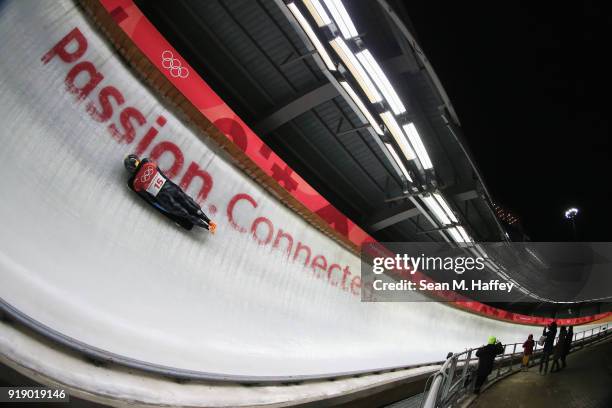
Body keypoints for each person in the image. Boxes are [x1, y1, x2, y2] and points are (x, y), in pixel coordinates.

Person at [124, 154, 216, 232]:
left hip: (164, 199)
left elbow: (149, 198)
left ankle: (207, 227)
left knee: (185, 214)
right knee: (188, 203)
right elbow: (159, 170)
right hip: (171, 188)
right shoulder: (148, 163)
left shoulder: (136, 184)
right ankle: (208, 221)